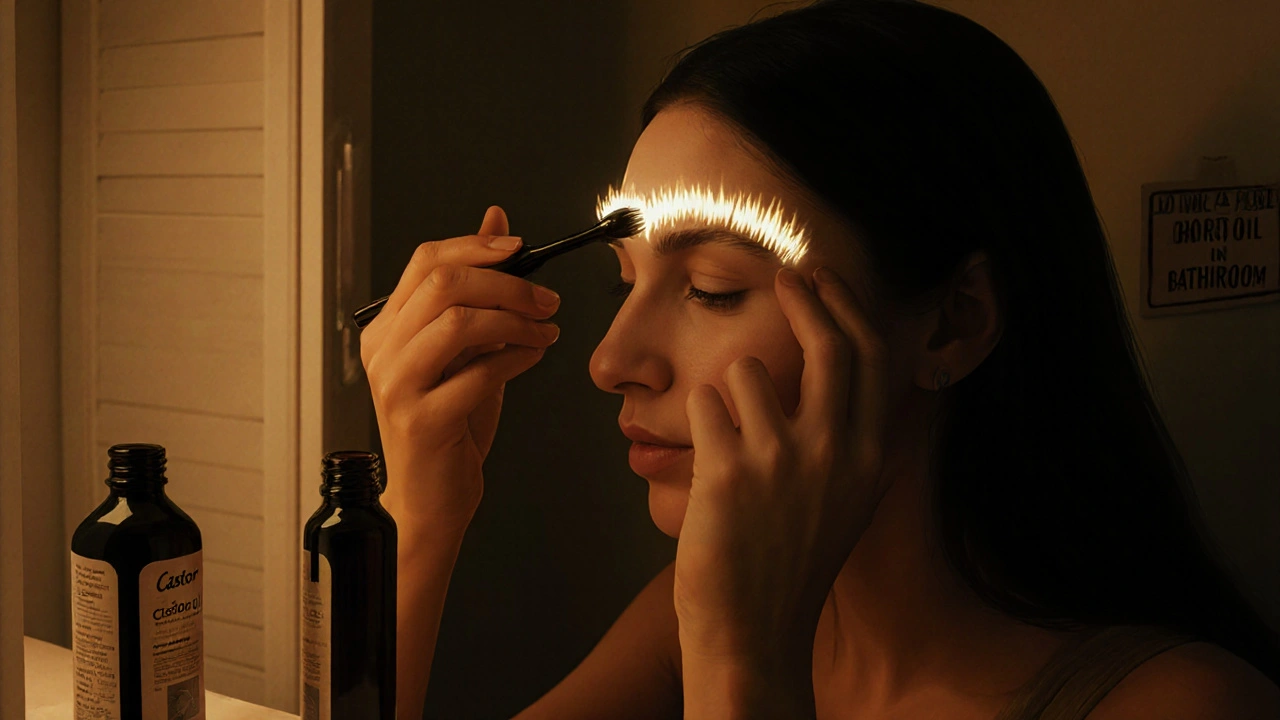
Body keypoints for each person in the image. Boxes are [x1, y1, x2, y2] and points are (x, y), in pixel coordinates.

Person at [358, 0, 1280, 717]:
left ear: (952, 323)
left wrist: (743, 667)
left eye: (714, 288)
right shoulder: (682, 624)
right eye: (621, 282)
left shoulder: (1179, 705)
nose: (611, 361)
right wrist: (415, 520)